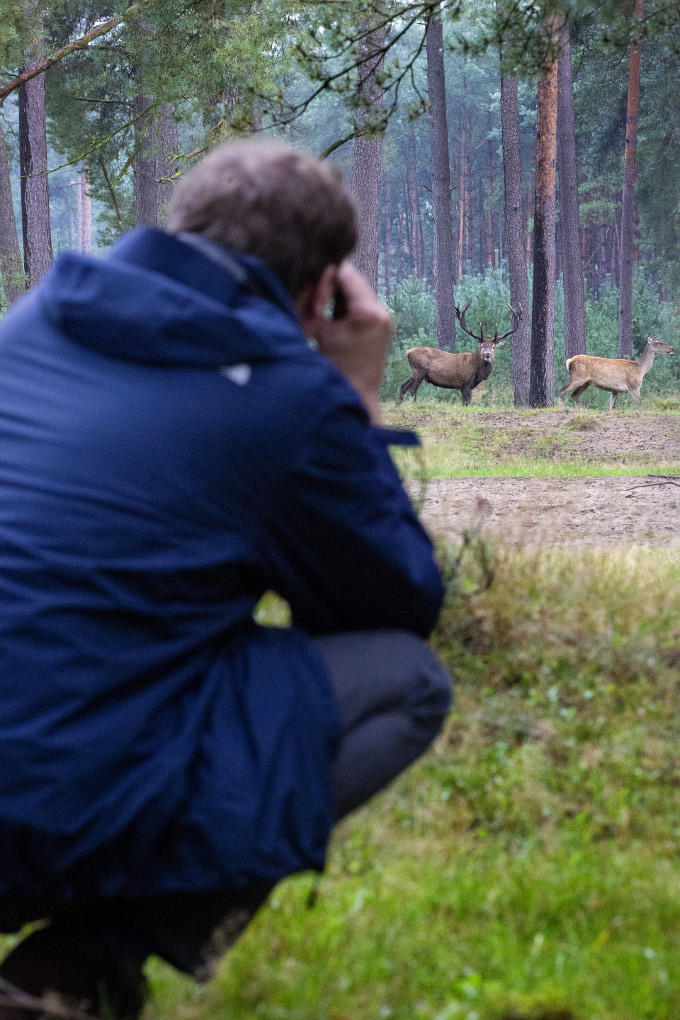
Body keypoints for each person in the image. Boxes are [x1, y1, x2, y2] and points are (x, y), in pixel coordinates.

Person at [0, 140, 451, 1019]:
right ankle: (81, 969)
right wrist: (353, 400)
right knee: (404, 684)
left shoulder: (30, 322)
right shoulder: (291, 394)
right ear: (325, 290)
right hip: (45, 823)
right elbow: (395, 606)